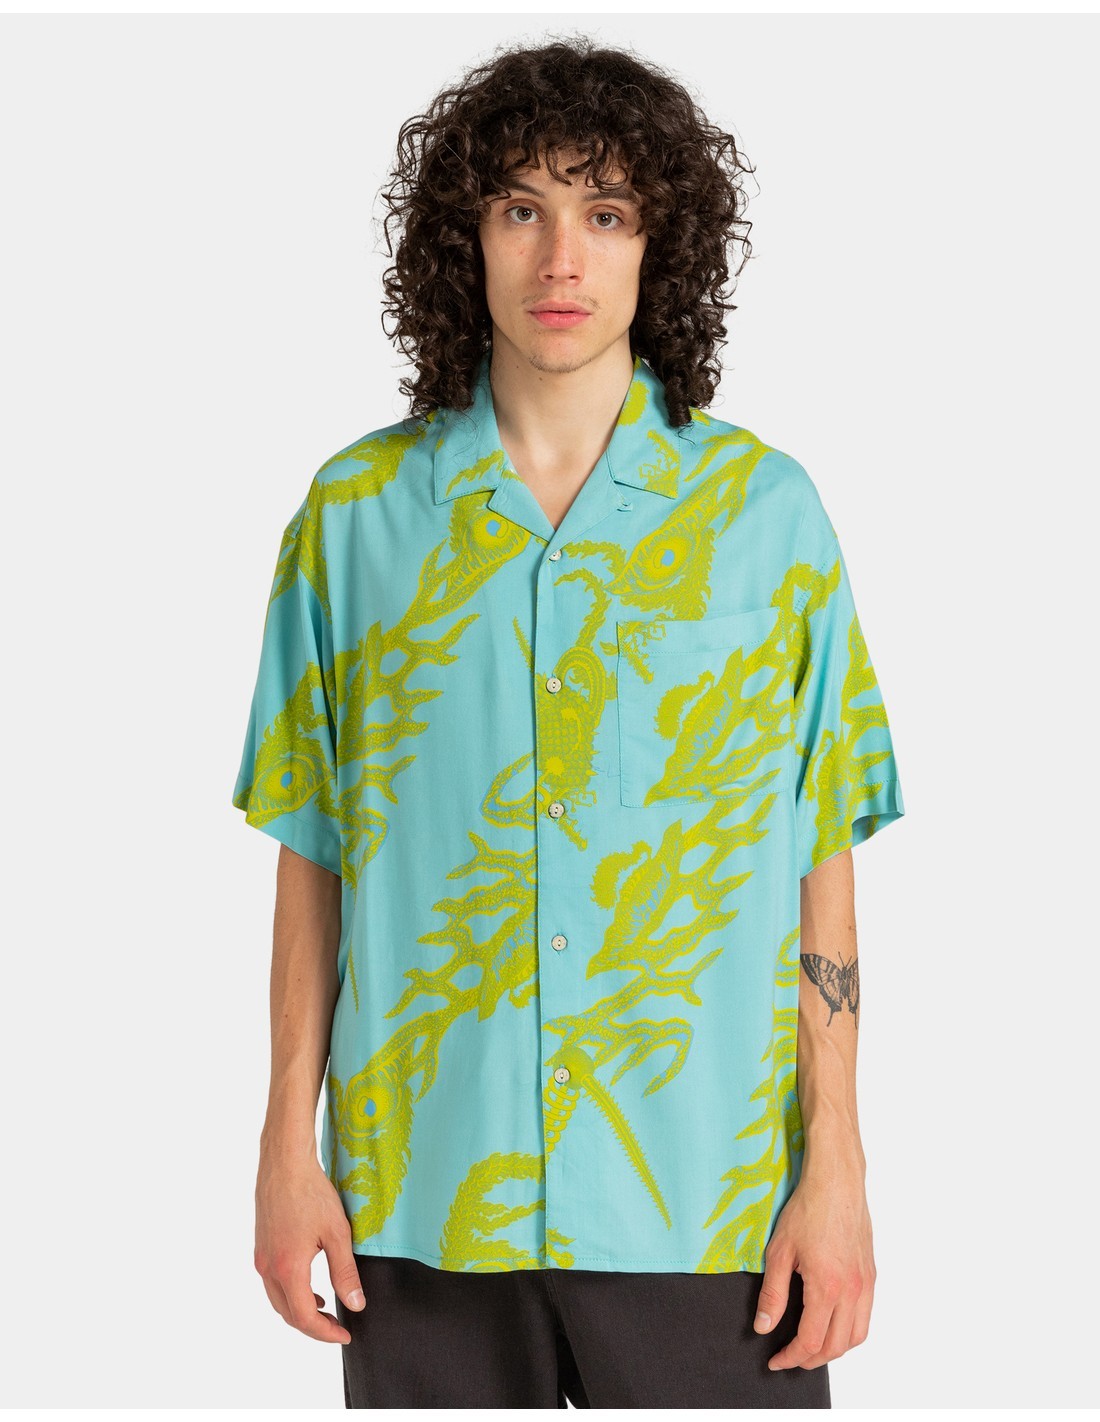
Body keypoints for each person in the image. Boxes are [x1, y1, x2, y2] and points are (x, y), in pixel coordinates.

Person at [231, 34, 906, 1410]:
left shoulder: (766, 519)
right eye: (519, 208)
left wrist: (837, 1162)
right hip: (420, 1203)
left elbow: (820, 853)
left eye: (605, 214)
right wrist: (284, 1146)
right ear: (464, 237)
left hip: (707, 1207)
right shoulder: (354, 521)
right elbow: (314, 854)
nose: (560, 259)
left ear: (661, 247)